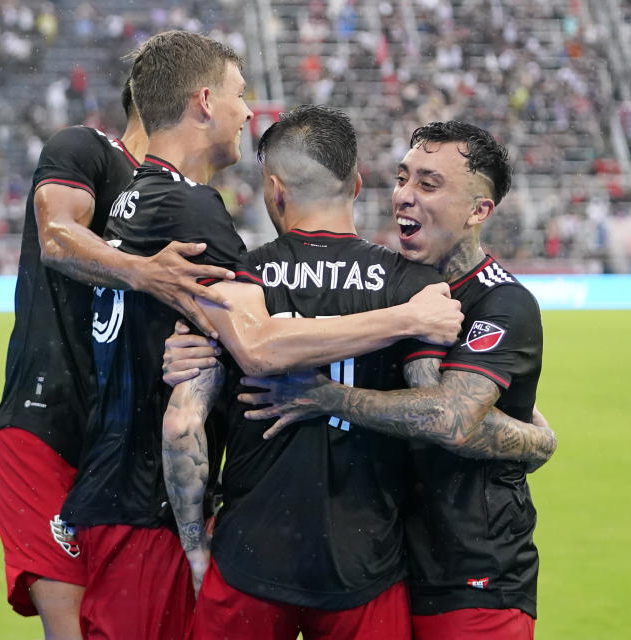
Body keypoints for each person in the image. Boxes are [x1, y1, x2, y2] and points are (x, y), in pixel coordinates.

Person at [59, 35, 462, 640]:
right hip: (364, 560)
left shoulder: (232, 264)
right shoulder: (412, 284)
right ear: (356, 186)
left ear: (274, 190)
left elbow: (182, 421)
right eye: (240, 96)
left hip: (242, 552)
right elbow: (442, 421)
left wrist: (199, 548)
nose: (247, 111)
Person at [241, 121, 554, 639]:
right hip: (392, 562)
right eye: (403, 178)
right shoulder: (395, 287)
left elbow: (452, 419)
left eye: (429, 185)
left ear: (479, 211)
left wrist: (329, 397)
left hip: (474, 572)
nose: (404, 196)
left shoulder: (502, 303)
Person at [0, 79, 236, 640]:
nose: (243, 111)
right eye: (232, 93)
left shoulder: (182, 197)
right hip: (46, 423)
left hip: (127, 457)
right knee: (74, 627)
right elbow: (57, 236)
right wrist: (143, 271)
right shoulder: (85, 150)